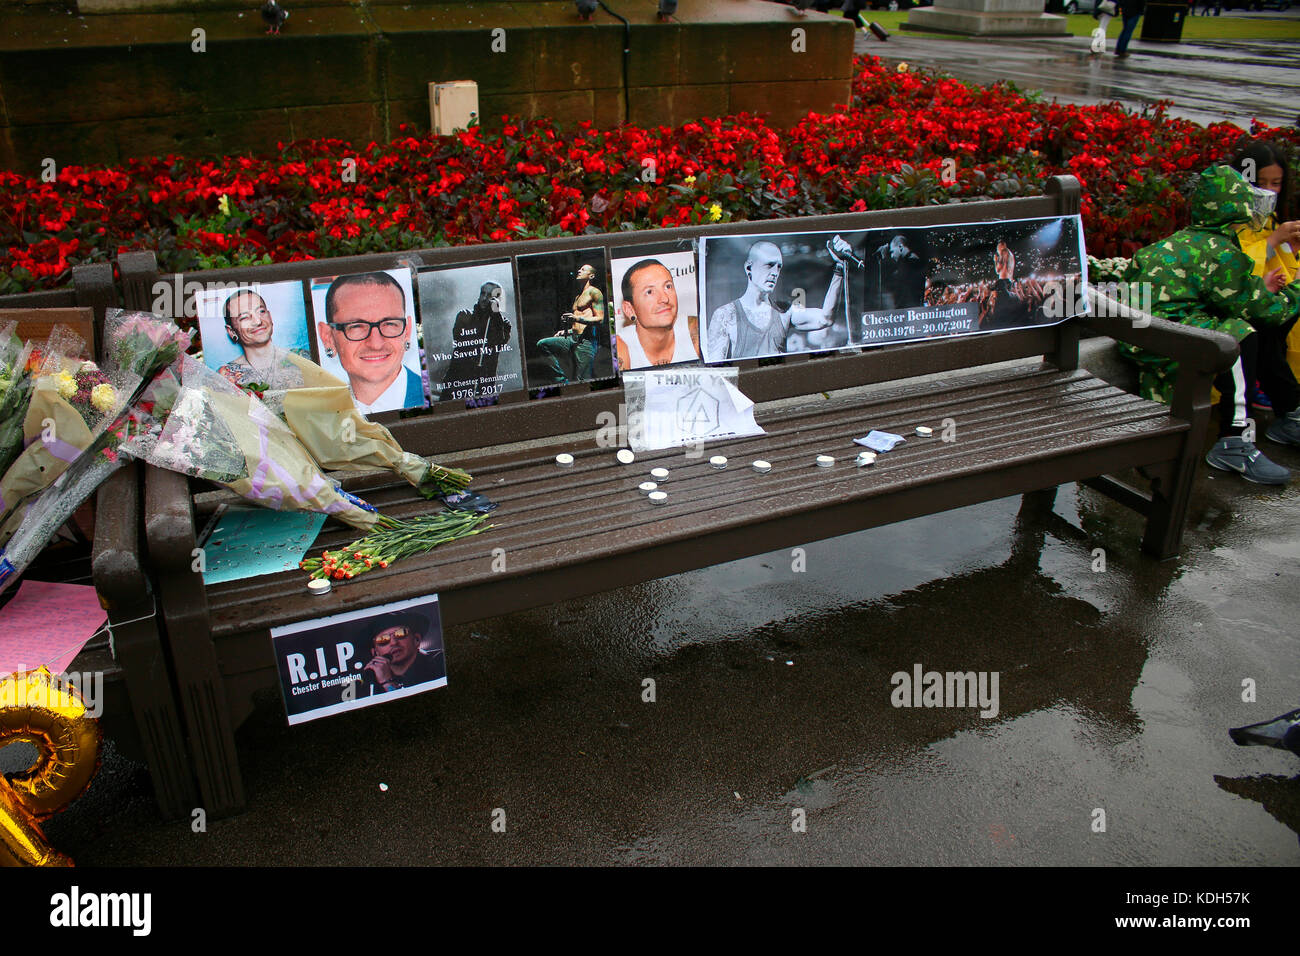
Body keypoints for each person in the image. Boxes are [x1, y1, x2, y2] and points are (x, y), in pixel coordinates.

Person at [1120, 164, 1300, 484]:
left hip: (1142, 343)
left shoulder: (1175, 244)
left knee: (1222, 326)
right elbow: (1266, 310)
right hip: (1172, 345)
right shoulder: (1222, 252)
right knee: (1237, 334)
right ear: (1236, 211)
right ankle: (1235, 441)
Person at [1227, 139, 1300, 390]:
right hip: (1250, 314)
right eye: (1260, 183)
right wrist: (1275, 240)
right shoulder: (1230, 220)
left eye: (1276, 183)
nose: (1268, 190)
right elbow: (1236, 265)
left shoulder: (1274, 219)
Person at [708, 236, 853, 361]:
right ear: (749, 268)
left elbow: (825, 318)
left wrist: (839, 268)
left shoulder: (784, 311)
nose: (775, 273)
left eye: (778, 267)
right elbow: (715, 371)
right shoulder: (725, 315)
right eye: (769, 265)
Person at [317, 272, 425, 414]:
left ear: (407, 331)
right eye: (356, 326)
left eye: (389, 324)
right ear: (328, 337)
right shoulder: (320, 414)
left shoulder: (435, 394)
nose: (376, 344)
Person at [614, 259, 700, 370]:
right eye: (649, 292)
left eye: (668, 286)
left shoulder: (696, 331)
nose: (664, 298)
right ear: (630, 309)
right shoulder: (621, 347)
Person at [216, 289, 307, 389]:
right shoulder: (227, 375)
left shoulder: (303, 358)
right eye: (245, 317)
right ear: (231, 331)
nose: (258, 321)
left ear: (270, 316)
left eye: (261, 312)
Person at [438, 281, 513, 401]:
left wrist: (495, 315)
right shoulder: (464, 315)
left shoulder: (503, 323)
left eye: (490, 296)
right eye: (482, 293)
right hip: (458, 378)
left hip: (484, 380)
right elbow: (459, 339)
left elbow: (500, 342)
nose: (484, 298)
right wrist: (483, 317)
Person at [536, 264, 605, 384]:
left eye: (583, 270)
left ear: (591, 275)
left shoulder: (594, 292)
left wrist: (576, 318)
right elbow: (578, 321)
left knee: (582, 380)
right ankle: (562, 381)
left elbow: (600, 319)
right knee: (543, 344)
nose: (579, 271)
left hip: (586, 341)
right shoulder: (578, 296)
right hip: (573, 337)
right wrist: (566, 331)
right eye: (579, 269)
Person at [359, 611, 443, 696]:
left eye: (401, 633)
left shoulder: (440, 662)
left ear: (416, 639)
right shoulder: (373, 679)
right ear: (375, 652)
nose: (393, 643)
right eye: (382, 639)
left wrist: (387, 683)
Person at [870, 235, 926, 311]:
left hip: (909, 310)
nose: (892, 256)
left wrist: (884, 258)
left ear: (900, 247)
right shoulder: (907, 261)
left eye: (892, 251)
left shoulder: (912, 261)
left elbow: (894, 279)